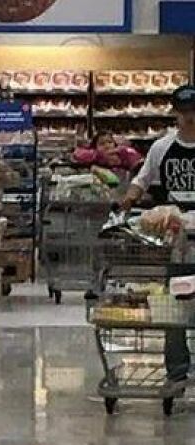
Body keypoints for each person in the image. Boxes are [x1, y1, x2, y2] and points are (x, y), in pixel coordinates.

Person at [120, 85, 195, 383]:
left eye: (193, 111)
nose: (189, 117)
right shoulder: (162, 147)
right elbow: (143, 179)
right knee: (176, 305)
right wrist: (127, 202)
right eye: (184, 111)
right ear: (175, 113)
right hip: (176, 240)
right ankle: (177, 369)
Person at [73, 133, 142, 173]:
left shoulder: (122, 153)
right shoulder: (94, 154)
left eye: (110, 142)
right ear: (95, 147)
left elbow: (137, 159)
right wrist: (101, 155)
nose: (107, 145)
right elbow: (77, 154)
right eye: (102, 143)